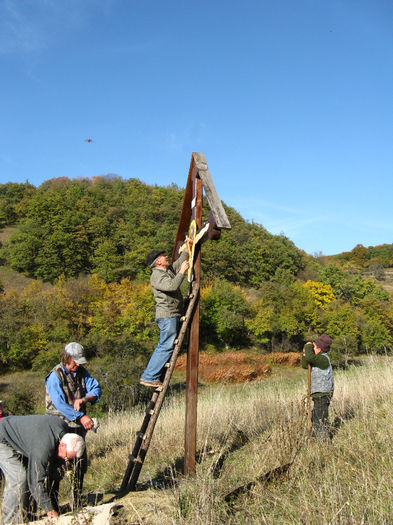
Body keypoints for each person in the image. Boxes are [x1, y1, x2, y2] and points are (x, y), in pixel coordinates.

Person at [0, 414, 85, 524]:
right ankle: (9, 521)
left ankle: (26, 515)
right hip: (3, 437)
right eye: (66, 457)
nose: (66, 460)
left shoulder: (63, 430)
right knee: (19, 477)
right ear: (62, 445)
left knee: (33, 473)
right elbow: (35, 482)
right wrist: (49, 510)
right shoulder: (43, 448)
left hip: (24, 438)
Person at [45, 342, 101, 504]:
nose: (77, 364)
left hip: (77, 430)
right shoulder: (55, 376)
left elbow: (96, 389)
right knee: (56, 468)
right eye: (75, 361)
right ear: (66, 358)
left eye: (79, 361)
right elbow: (60, 404)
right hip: (58, 429)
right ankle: (53, 506)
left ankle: (77, 502)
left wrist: (85, 398)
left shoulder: (83, 372)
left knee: (79, 465)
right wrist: (81, 417)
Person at [140, 246, 190, 387]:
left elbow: (179, 262)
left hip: (171, 314)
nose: (166, 256)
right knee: (165, 346)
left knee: (166, 345)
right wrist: (182, 272)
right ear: (158, 262)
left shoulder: (166, 270)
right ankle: (149, 376)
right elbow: (172, 286)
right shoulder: (156, 275)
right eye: (162, 255)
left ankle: (152, 376)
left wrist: (187, 249)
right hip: (167, 316)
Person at [301, 333, 334, 439]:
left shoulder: (323, 359)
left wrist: (308, 346)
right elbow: (305, 364)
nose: (312, 348)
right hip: (318, 393)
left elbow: (310, 358)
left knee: (320, 417)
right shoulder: (316, 359)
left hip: (323, 393)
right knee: (316, 415)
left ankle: (323, 439)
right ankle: (318, 436)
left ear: (319, 349)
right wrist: (305, 354)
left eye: (314, 347)